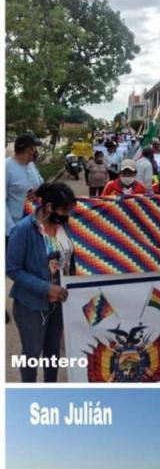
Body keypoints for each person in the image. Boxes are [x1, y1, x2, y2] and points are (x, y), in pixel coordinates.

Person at [7, 182, 77, 383]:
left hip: (58, 303)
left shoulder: (63, 225)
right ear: (49, 208)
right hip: (31, 305)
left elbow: (69, 257)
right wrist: (45, 287)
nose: (67, 214)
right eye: (64, 210)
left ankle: (50, 388)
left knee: (53, 352)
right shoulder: (23, 231)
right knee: (32, 353)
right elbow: (12, 268)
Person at [6, 133, 44, 239]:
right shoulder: (6, 167)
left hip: (34, 225)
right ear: (29, 149)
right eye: (35, 148)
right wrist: (11, 230)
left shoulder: (31, 165)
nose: (36, 151)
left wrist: (39, 191)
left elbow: (42, 183)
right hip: (14, 229)